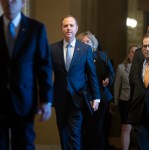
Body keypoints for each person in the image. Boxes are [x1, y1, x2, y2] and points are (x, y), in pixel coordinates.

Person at [0, 0, 53, 149]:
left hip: (24, 100)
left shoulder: (36, 29)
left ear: (23, 3)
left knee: (24, 144)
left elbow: (44, 67)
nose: (9, 3)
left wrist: (46, 100)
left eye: (14, 0)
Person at [49, 16, 101, 150]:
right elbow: (47, 75)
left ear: (76, 28)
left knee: (74, 134)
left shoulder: (85, 49)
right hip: (60, 99)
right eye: (65, 26)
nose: (68, 28)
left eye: (71, 25)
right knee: (63, 133)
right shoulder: (53, 49)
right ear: (61, 28)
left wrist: (96, 97)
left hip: (77, 99)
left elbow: (92, 74)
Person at [77, 31, 115, 150]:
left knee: (97, 129)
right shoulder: (75, 58)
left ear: (93, 44)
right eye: (82, 42)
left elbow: (111, 73)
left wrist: (108, 79)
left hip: (100, 97)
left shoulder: (102, 56)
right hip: (82, 98)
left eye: (87, 42)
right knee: (83, 129)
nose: (85, 44)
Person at [127, 33, 149, 149]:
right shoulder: (138, 64)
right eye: (144, 46)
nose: (147, 49)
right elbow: (133, 84)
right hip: (140, 111)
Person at [114, 45, 138, 150]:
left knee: (139, 129)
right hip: (125, 101)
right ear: (129, 54)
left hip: (138, 102)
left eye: (137, 52)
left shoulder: (145, 67)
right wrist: (115, 103)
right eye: (132, 52)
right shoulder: (121, 67)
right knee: (126, 127)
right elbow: (116, 86)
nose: (134, 54)